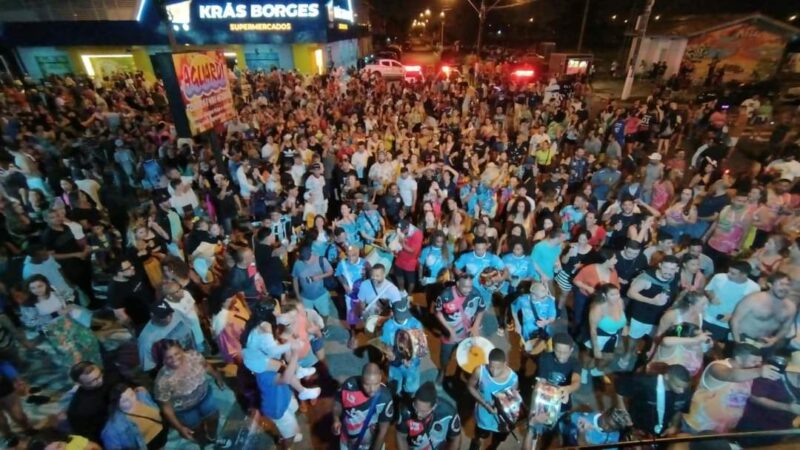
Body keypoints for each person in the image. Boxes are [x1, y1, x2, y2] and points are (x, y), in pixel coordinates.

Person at [682, 343, 781, 433]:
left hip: (721, 431)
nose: (758, 365)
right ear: (738, 359)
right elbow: (732, 375)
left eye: (759, 362)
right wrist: (759, 372)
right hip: (698, 428)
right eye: (754, 361)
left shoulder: (749, 373)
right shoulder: (717, 367)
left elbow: (748, 396)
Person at [153, 340, 231, 448]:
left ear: (181, 349)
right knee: (196, 430)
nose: (175, 359)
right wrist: (180, 428)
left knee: (213, 418)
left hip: (205, 396)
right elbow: (166, 408)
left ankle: (213, 438)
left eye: (176, 353)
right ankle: (203, 444)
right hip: (185, 410)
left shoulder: (193, 356)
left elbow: (206, 366)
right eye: (168, 357)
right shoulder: (162, 380)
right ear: (162, 359)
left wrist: (217, 376)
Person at [21, 274, 101, 373]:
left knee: (90, 341)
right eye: (32, 288)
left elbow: (68, 294)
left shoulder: (53, 290)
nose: (37, 290)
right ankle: (80, 376)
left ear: (46, 284)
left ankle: (96, 368)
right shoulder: (28, 304)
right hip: (52, 329)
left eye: (40, 286)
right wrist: (55, 314)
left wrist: (68, 303)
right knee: (72, 354)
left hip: (69, 321)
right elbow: (31, 322)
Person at [523, 333, 581, 450]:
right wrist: (534, 408)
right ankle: (534, 436)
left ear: (571, 350)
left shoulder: (575, 363)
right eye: (557, 351)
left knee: (553, 429)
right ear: (553, 348)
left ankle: (545, 443)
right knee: (536, 425)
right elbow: (541, 381)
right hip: (545, 400)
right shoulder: (545, 358)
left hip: (562, 403)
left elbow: (576, 381)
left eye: (565, 352)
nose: (560, 355)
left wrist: (567, 389)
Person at [736, 351, 800, 447]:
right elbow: (755, 397)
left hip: (780, 430)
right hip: (756, 428)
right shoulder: (773, 375)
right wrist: (788, 407)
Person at [434, 275, 486, 383]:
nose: (468, 290)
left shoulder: (475, 293)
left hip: (467, 332)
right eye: (465, 287)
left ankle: (458, 374)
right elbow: (437, 312)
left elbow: (481, 310)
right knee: (445, 356)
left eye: (470, 287)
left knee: (465, 355)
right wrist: (449, 329)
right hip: (449, 334)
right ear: (457, 284)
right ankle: (442, 372)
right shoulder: (445, 295)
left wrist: (475, 326)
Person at [615, 364, 692, 437]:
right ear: (666, 377)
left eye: (684, 388)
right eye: (678, 386)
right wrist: (623, 412)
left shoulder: (685, 392)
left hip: (663, 430)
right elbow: (619, 387)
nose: (682, 391)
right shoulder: (645, 382)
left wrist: (674, 426)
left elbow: (680, 409)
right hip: (637, 428)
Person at [332, 363, 394, 450]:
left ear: (380, 378)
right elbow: (338, 402)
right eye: (367, 384)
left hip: (371, 444)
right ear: (361, 380)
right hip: (347, 442)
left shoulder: (385, 398)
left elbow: (383, 431)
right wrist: (336, 419)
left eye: (376, 384)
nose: (372, 389)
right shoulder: (349, 385)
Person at [467, 348, 519, 450]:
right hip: (483, 416)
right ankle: (476, 442)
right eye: (491, 367)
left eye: (498, 368)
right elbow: (470, 386)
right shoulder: (480, 371)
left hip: (502, 422)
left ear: (505, 364)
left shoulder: (513, 379)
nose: (494, 371)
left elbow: (514, 401)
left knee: (497, 440)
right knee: (480, 435)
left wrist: (509, 419)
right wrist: (485, 405)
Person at [730, 272, 796, 350]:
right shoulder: (753, 299)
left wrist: (774, 339)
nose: (785, 288)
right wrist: (738, 342)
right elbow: (735, 320)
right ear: (770, 285)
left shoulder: (790, 307)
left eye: (788, 285)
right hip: (742, 338)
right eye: (781, 284)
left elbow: (786, 328)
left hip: (763, 343)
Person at [703, 260, 760, 343]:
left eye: (733, 273)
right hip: (707, 316)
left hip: (726, 324)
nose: (728, 275)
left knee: (712, 345)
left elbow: (751, 309)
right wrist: (711, 297)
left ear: (744, 275)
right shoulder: (719, 277)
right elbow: (708, 289)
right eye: (728, 271)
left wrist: (732, 315)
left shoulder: (754, 288)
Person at [66, 362, 124, 443]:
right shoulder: (78, 410)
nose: (100, 381)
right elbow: (88, 438)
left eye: (100, 375)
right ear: (79, 384)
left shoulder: (108, 374)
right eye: (92, 381)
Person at [395, 381, 461, 450]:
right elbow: (401, 436)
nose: (418, 414)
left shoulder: (449, 413)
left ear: (434, 406)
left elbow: (456, 439)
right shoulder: (405, 411)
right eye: (416, 408)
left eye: (423, 411)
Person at [379, 297, 423, 399]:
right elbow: (385, 343)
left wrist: (412, 360)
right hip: (395, 364)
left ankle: (407, 400)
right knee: (394, 388)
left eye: (404, 316)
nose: (402, 319)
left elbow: (422, 347)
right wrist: (387, 353)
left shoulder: (416, 324)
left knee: (411, 388)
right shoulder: (387, 326)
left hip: (412, 365)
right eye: (399, 317)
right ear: (392, 312)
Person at [101, 384, 168, 450]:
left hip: (167, 437)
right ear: (116, 405)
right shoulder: (112, 429)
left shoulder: (142, 396)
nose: (132, 401)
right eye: (125, 401)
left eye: (132, 395)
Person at [137, 301, 199, 372]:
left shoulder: (176, 313)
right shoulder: (146, 339)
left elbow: (190, 327)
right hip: (174, 372)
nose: (169, 318)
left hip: (193, 357)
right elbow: (150, 368)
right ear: (152, 315)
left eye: (169, 313)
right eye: (163, 316)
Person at [107, 258, 156, 334]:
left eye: (131, 265)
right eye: (128, 268)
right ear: (119, 273)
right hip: (143, 321)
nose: (132, 267)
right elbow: (121, 315)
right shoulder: (114, 291)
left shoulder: (134, 272)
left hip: (154, 308)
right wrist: (133, 329)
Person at [336, 245, 371, 348]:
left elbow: (372, 277)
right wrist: (344, 284)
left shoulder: (366, 264)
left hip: (363, 296)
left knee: (365, 314)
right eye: (349, 255)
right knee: (351, 316)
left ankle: (366, 332)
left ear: (359, 254)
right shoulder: (342, 264)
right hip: (350, 296)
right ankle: (353, 335)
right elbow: (338, 275)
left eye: (353, 255)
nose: (350, 258)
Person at [292, 244, 334, 322]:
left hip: (321, 295)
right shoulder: (297, 264)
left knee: (325, 314)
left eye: (308, 259)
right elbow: (295, 279)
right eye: (304, 260)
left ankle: (322, 328)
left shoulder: (321, 260)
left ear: (311, 253)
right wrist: (297, 295)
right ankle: (313, 331)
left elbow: (330, 271)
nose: (307, 262)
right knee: (307, 317)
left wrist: (319, 277)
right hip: (305, 297)